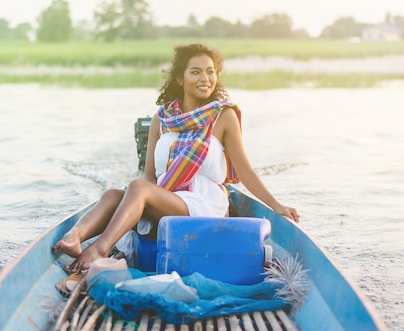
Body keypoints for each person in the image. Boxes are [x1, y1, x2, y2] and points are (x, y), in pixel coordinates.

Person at [53, 43, 299, 273]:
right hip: (167, 198)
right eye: (196, 72)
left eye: (210, 72)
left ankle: (99, 249)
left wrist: (277, 206)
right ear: (181, 78)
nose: (205, 78)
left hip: (203, 204)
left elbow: (245, 172)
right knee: (114, 195)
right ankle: (74, 237)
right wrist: (138, 201)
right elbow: (150, 176)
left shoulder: (223, 116)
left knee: (137, 189)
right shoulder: (162, 119)